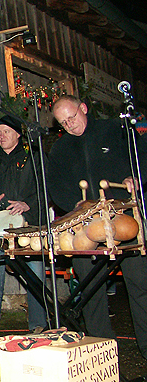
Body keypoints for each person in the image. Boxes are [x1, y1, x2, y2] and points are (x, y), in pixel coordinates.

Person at [49, 95, 147, 361]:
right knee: (91, 291)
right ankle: (102, 352)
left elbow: (143, 156)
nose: (70, 125)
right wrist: (75, 205)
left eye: (72, 118)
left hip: (123, 218)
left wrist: (137, 178)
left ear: (84, 108)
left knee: (140, 285)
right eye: (63, 123)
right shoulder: (59, 150)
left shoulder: (116, 130)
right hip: (86, 227)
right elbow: (56, 187)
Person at [0, 115, 48, 343]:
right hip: (0, 232)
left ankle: (38, 323)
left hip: (29, 226)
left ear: (17, 134)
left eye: (6, 132)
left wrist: (28, 204)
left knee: (35, 275)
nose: (1, 136)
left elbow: (45, 187)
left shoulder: (33, 157)